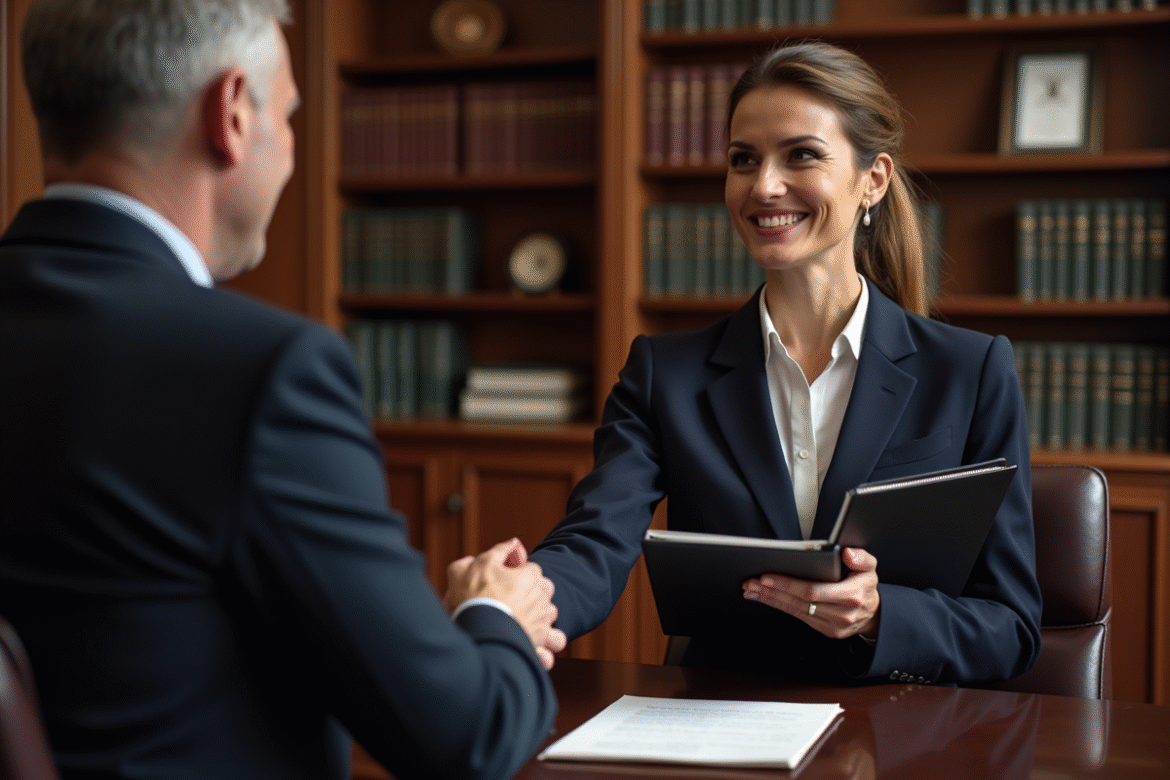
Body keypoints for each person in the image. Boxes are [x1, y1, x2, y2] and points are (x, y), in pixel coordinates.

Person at [0, 2, 564, 778]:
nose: (291, 148)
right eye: (290, 116)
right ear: (232, 114)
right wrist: (494, 616)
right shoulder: (262, 370)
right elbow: (470, 739)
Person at [530, 41, 1042, 684]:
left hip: (894, 736)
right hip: (721, 727)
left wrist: (882, 614)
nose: (763, 185)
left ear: (873, 180)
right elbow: (593, 544)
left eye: (801, 154)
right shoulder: (666, 373)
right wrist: (514, 604)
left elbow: (1011, 627)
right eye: (743, 159)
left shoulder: (970, 372)